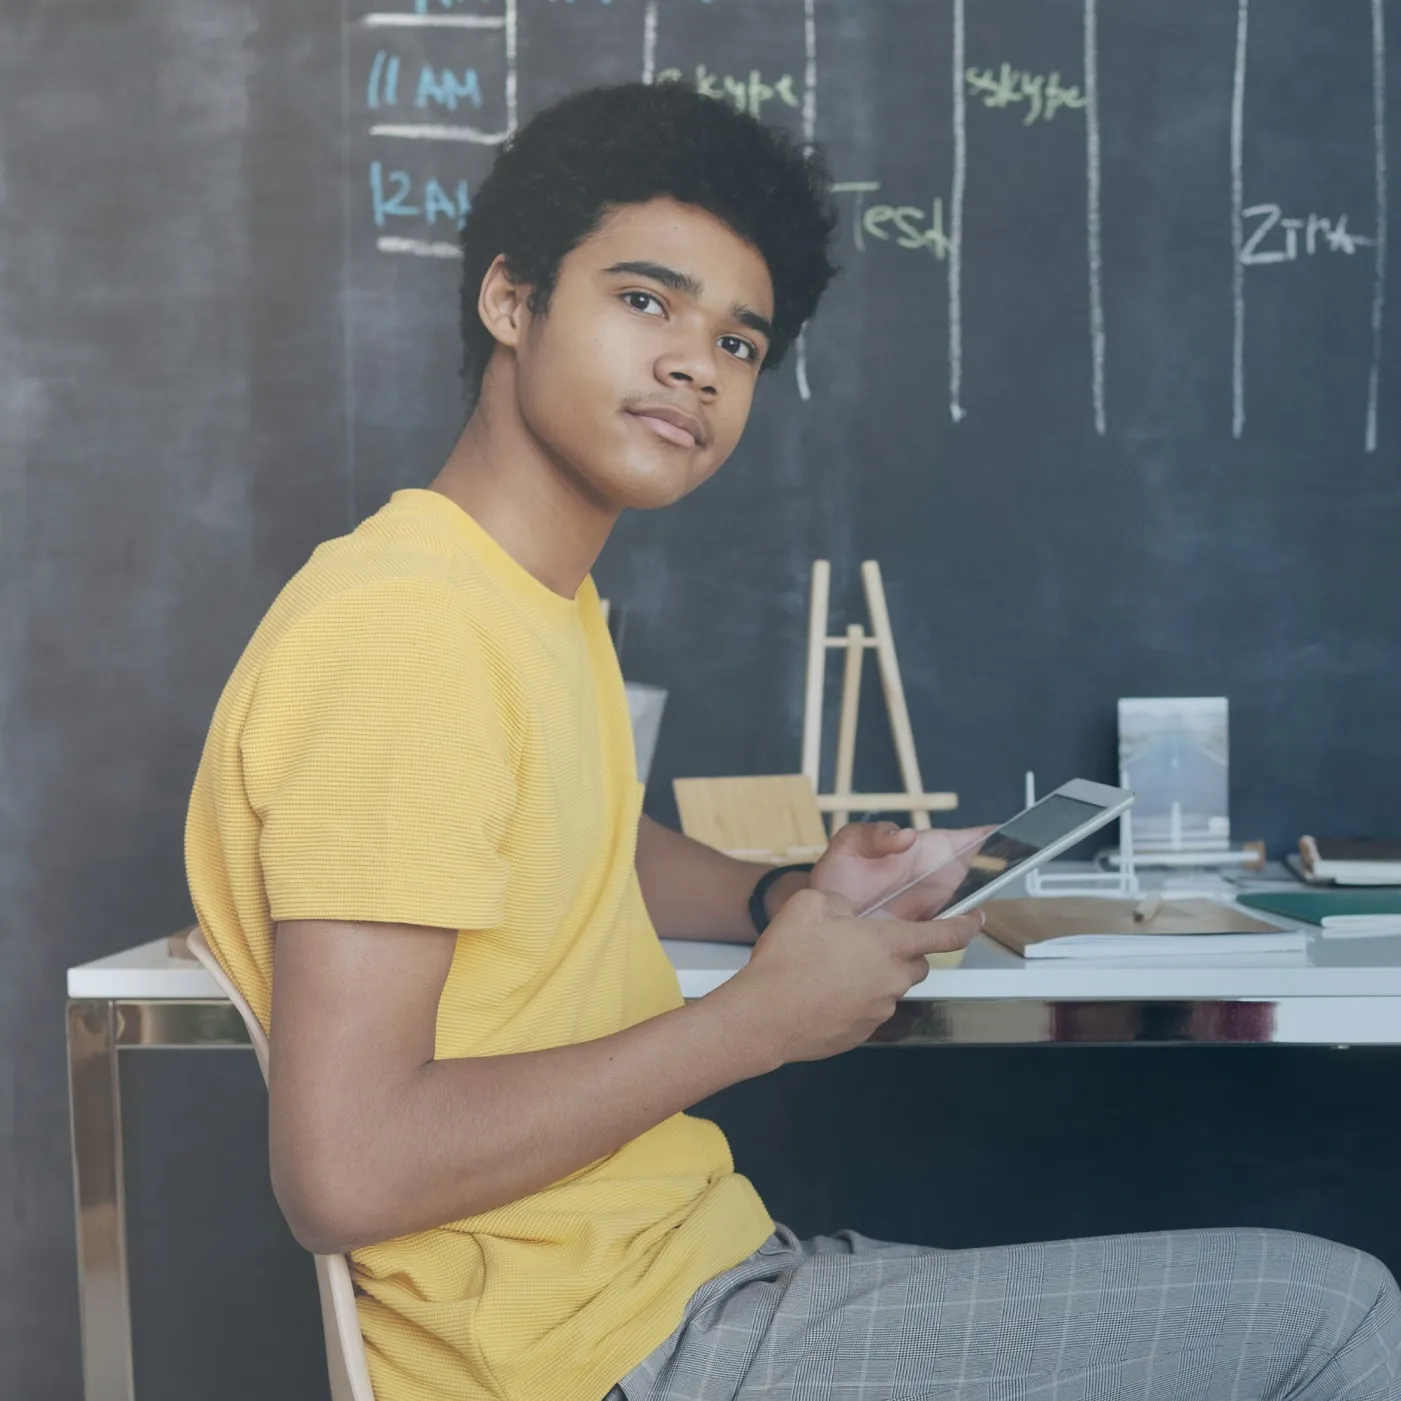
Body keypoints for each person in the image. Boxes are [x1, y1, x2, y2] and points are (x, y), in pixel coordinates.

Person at [185, 81, 1400, 1401]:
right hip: (614, 1355)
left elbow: (561, 837)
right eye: (645, 301)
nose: (695, 363)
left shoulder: (518, 598)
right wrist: (757, 1024)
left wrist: (786, 893)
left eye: (740, 342)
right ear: (510, 301)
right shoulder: (407, 633)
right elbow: (346, 1172)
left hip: (682, 1283)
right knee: (1335, 1316)